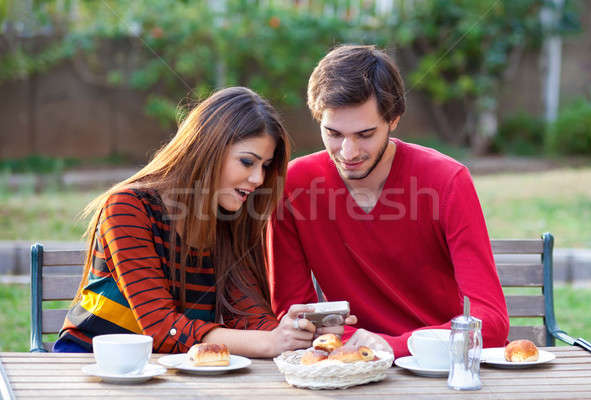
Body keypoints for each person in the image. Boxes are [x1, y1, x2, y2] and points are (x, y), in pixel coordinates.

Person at [55, 86, 352, 356]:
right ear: (208, 149)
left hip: (173, 371)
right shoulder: (128, 207)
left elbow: (247, 313)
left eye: (264, 166)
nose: (258, 179)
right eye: (247, 162)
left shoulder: (231, 217)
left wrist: (299, 333)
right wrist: (271, 342)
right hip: (92, 359)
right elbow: (161, 327)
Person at [268, 45, 509, 358]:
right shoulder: (294, 185)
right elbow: (294, 315)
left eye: (365, 134)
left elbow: (491, 323)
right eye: (334, 133)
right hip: (348, 365)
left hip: (435, 366)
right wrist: (360, 345)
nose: (348, 152)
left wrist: (392, 346)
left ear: (393, 119)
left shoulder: (447, 181)